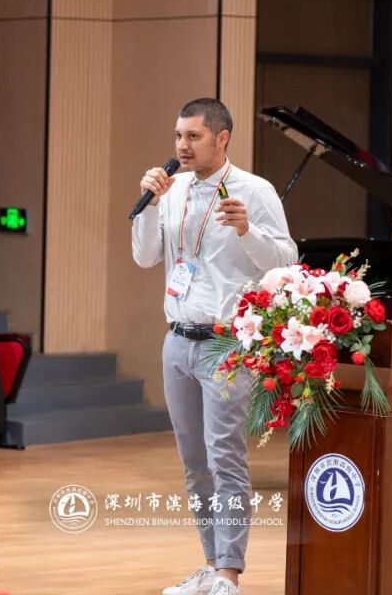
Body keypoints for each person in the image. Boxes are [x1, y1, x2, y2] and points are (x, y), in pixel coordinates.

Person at [132, 98, 297, 595]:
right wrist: (148, 206)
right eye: (178, 136)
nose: (182, 146)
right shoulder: (172, 190)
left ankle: (229, 573)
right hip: (177, 341)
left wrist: (247, 231)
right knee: (194, 463)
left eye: (193, 136)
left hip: (225, 345)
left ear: (222, 138)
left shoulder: (255, 191)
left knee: (225, 457)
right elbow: (145, 257)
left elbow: (286, 260)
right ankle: (210, 565)